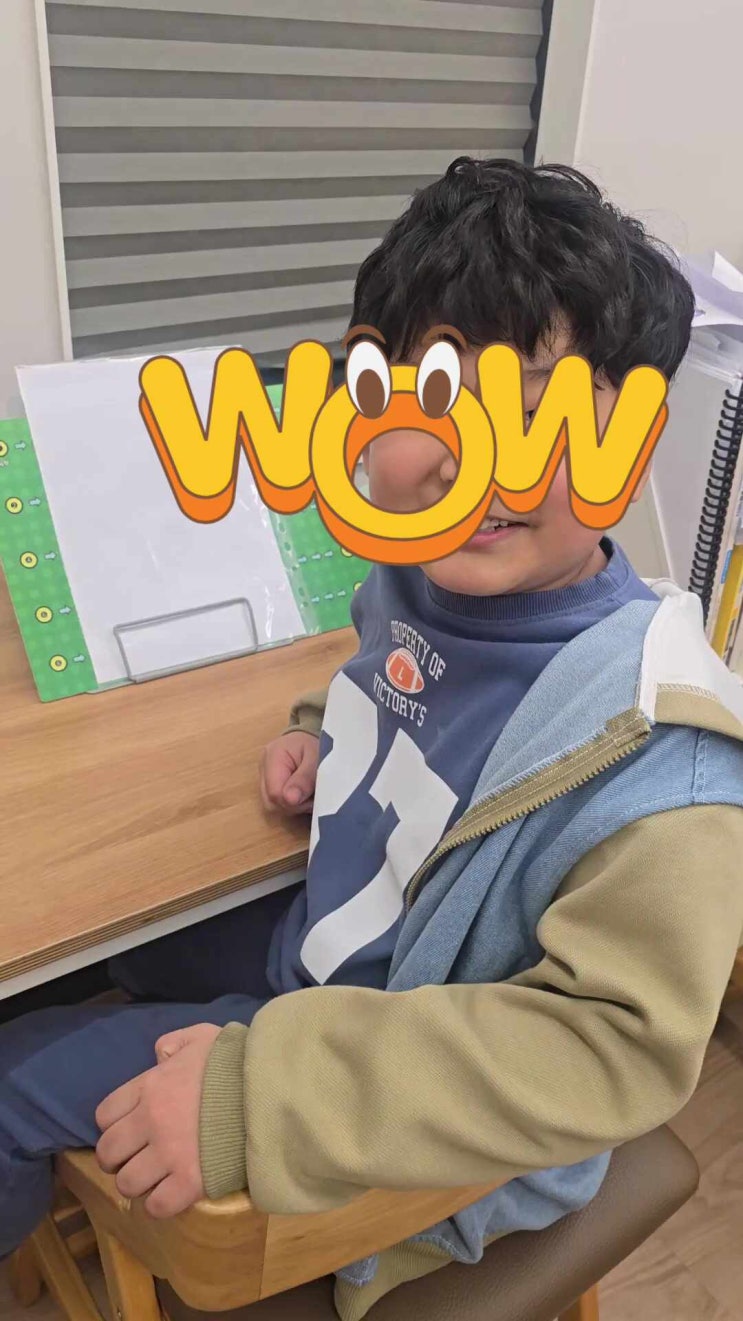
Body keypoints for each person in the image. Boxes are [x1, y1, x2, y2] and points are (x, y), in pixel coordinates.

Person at [3, 159, 743, 1321]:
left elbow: (611, 1051)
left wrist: (267, 1094)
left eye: (542, 415)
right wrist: (321, 730)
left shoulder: (665, 759)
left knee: (11, 1082)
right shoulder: (417, 576)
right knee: (73, 959)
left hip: (391, 1054)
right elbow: (385, 672)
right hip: (327, 934)